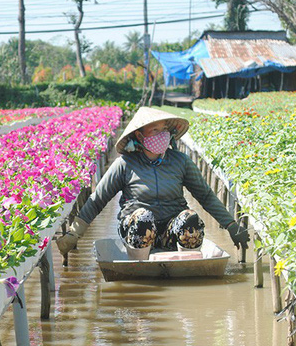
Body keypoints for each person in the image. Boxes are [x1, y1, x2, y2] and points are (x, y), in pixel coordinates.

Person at [56, 107, 250, 260]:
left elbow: (205, 196)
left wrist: (231, 225)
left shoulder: (180, 161)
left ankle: (183, 262)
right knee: (143, 218)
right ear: (140, 136)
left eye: (164, 130)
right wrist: (74, 234)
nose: (161, 135)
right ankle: (140, 261)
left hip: (171, 231)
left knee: (190, 218)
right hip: (137, 232)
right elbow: (97, 200)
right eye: (155, 130)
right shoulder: (125, 164)